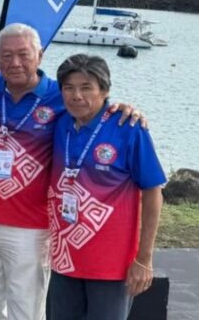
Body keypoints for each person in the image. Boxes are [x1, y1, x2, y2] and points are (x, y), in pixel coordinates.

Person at [0, 24, 145, 320]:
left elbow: (94, 108)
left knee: (25, 309)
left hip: (32, 225)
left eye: (24, 55)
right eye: (6, 55)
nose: (14, 63)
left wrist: (126, 109)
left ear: (40, 55)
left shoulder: (60, 96)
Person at [47, 54, 165, 320]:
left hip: (111, 267)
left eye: (86, 87)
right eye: (69, 87)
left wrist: (144, 259)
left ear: (105, 91)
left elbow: (153, 193)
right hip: (64, 259)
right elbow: (21, 81)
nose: (77, 95)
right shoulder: (61, 122)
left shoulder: (129, 127)